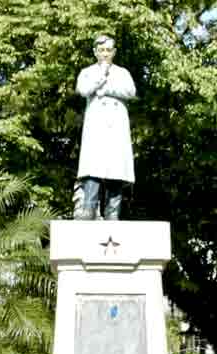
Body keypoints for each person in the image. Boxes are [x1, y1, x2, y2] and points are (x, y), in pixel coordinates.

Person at [75, 34, 136, 220]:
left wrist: (107, 90)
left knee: (116, 171)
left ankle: (113, 213)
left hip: (117, 128)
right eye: (101, 50)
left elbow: (130, 91)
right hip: (96, 128)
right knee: (93, 169)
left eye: (108, 50)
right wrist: (101, 77)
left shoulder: (123, 72)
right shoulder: (87, 72)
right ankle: (88, 210)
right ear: (95, 52)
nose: (105, 54)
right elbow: (83, 89)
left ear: (114, 52)